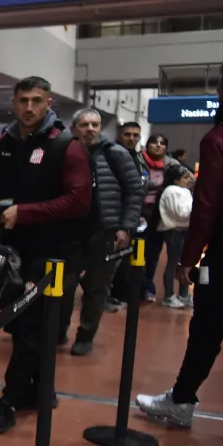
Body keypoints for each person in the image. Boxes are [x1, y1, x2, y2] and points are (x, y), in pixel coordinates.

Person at [0, 76, 91, 433]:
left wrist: (26, 212)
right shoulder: (7, 142)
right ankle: (40, 387)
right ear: (13, 102)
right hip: (12, 250)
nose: (29, 107)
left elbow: (78, 201)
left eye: (36, 100)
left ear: (48, 103)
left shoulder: (66, 146)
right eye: (23, 100)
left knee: (28, 325)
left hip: (53, 252)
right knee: (25, 324)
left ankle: (12, 397)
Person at [137, 60, 223, 426]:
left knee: (207, 327)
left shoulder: (219, 139)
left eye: (218, 91)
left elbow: (207, 206)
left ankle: (181, 402)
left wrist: (188, 259)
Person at [59, 108, 142, 356]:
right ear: (74, 129)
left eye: (95, 125)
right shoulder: (64, 153)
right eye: (85, 125)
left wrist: (125, 227)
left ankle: (85, 335)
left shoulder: (115, 154)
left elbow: (134, 192)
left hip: (104, 231)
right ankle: (58, 329)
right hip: (71, 232)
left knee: (97, 287)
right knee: (63, 285)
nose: (91, 129)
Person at [107, 120, 148, 310]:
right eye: (127, 134)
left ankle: (112, 293)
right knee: (106, 262)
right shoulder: (110, 156)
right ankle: (102, 297)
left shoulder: (138, 159)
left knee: (119, 262)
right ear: (119, 135)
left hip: (130, 217)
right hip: (112, 217)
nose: (131, 138)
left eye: (135, 135)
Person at [139, 132, 181, 302]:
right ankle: (129, 287)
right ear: (147, 145)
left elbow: (189, 178)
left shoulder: (171, 164)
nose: (158, 145)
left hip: (158, 214)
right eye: (154, 142)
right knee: (132, 254)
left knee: (152, 253)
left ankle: (147, 287)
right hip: (139, 212)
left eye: (162, 143)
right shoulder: (137, 161)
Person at [156, 163, 195, 308]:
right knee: (173, 264)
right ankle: (168, 295)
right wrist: (195, 206)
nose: (189, 180)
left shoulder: (184, 191)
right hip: (174, 231)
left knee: (184, 264)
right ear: (176, 180)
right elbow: (181, 213)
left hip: (184, 231)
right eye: (185, 178)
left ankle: (184, 294)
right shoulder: (172, 191)